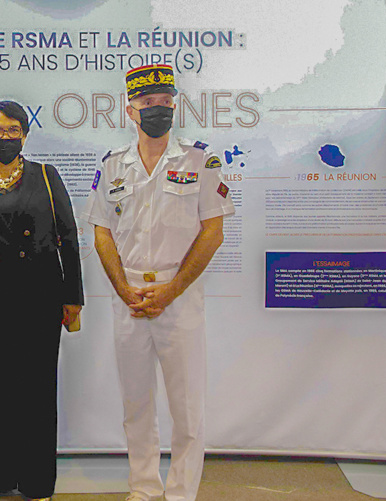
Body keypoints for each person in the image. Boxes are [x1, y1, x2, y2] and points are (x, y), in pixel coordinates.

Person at [81, 65, 234, 501]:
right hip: (127, 296)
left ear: (174, 105)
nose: (158, 109)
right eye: (148, 103)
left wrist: (170, 292)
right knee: (136, 403)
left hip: (178, 296)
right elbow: (101, 232)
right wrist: (124, 290)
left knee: (186, 407)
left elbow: (213, 232)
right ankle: (144, 488)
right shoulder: (113, 165)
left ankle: (182, 493)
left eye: (165, 101)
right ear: (131, 110)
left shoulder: (200, 160)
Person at [0, 100, 84, 501]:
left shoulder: (46, 175)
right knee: (0, 388)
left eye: (12, 130)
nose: (5, 137)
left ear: (25, 133)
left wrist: (73, 295)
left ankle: (38, 481)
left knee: (39, 389)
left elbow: (69, 237)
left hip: (42, 293)